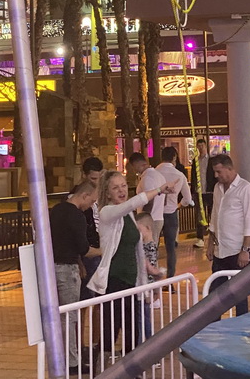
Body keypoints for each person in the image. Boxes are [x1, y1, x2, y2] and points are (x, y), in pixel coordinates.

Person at [89, 169, 170, 361]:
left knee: (132, 326)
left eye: (124, 185)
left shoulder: (129, 215)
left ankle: (130, 366)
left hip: (132, 279)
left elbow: (136, 248)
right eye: (115, 188)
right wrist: (158, 190)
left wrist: (151, 272)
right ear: (107, 193)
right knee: (112, 325)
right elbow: (134, 202)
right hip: (115, 279)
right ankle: (103, 364)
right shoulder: (107, 212)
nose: (121, 190)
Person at [49, 181, 98, 371]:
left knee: (56, 316)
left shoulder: (56, 210)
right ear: (84, 196)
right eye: (92, 201)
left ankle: (59, 358)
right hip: (67, 269)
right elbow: (83, 248)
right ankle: (71, 361)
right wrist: (103, 249)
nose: (91, 206)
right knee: (69, 317)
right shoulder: (77, 215)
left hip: (51, 267)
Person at [206, 154, 250, 316]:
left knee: (239, 294)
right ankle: (214, 326)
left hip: (238, 250)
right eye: (215, 172)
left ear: (229, 169)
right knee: (214, 295)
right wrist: (210, 243)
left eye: (219, 172)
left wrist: (245, 250)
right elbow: (214, 216)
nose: (216, 176)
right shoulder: (217, 188)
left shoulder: (245, 188)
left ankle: (241, 326)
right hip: (221, 250)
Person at [156, 147, 194, 277]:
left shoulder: (154, 173)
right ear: (174, 158)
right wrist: (178, 205)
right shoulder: (179, 175)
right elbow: (188, 199)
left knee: (152, 246)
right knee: (171, 248)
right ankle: (170, 279)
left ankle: (152, 278)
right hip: (171, 213)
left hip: (155, 214)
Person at [75, 156, 104, 296]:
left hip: (100, 248)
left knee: (101, 297)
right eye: (92, 179)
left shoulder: (103, 194)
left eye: (98, 178)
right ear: (84, 175)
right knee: (87, 295)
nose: (96, 182)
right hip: (88, 251)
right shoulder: (77, 197)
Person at [130, 151, 165, 245]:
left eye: (133, 166)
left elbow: (149, 200)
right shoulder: (159, 175)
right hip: (158, 216)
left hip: (150, 219)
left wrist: (143, 219)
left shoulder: (147, 178)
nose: (134, 170)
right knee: (153, 247)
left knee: (148, 248)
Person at [191, 138, 211, 248]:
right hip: (199, 192)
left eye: (202, 145)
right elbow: (193, 176)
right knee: (199, 215)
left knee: (212, 214)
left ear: (205, 146)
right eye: (199, 146)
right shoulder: (195, 161)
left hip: (209, 191)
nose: (201, 148)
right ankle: (200, 238)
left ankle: (213, 237)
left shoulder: (211, 160)